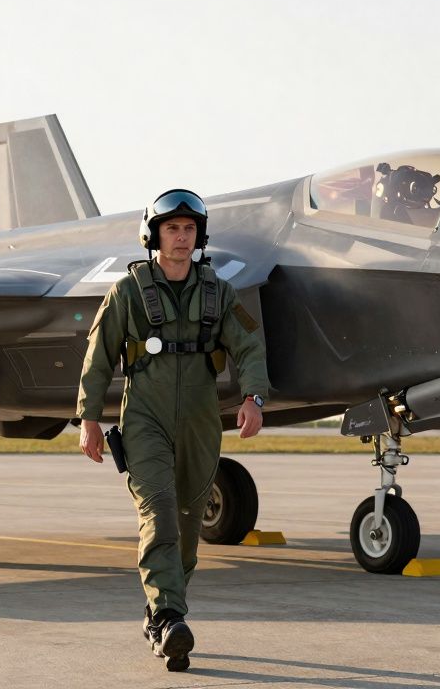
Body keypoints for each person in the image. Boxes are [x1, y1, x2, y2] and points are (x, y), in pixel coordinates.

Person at [76, 188, 270, 672]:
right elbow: (98, 356)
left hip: (202, 419)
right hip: (144, 415)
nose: (181, 238)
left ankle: (161, 610)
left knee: (187, 520)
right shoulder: (127, 291)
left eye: (188, 230)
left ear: (198, 236)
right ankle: (168, 618)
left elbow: (248, 345)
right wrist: (89, 418)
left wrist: (253, 398)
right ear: (154, 235)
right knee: (158, 510)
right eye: (171, 229)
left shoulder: (217, 291)